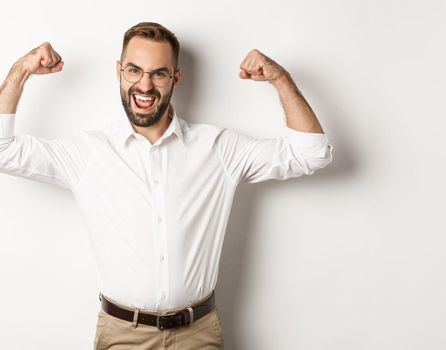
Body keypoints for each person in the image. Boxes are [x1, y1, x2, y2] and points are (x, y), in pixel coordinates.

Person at [0, 22, 333, 349]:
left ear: (176, 78)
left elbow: (311, 155)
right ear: (119, 72)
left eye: (158, 73)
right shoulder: (87, 153)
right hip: (123, 337)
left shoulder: (218, 148)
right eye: (134, 70)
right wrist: (20, 70)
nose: (145, 86)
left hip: (198, 335)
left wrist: (280, 79)